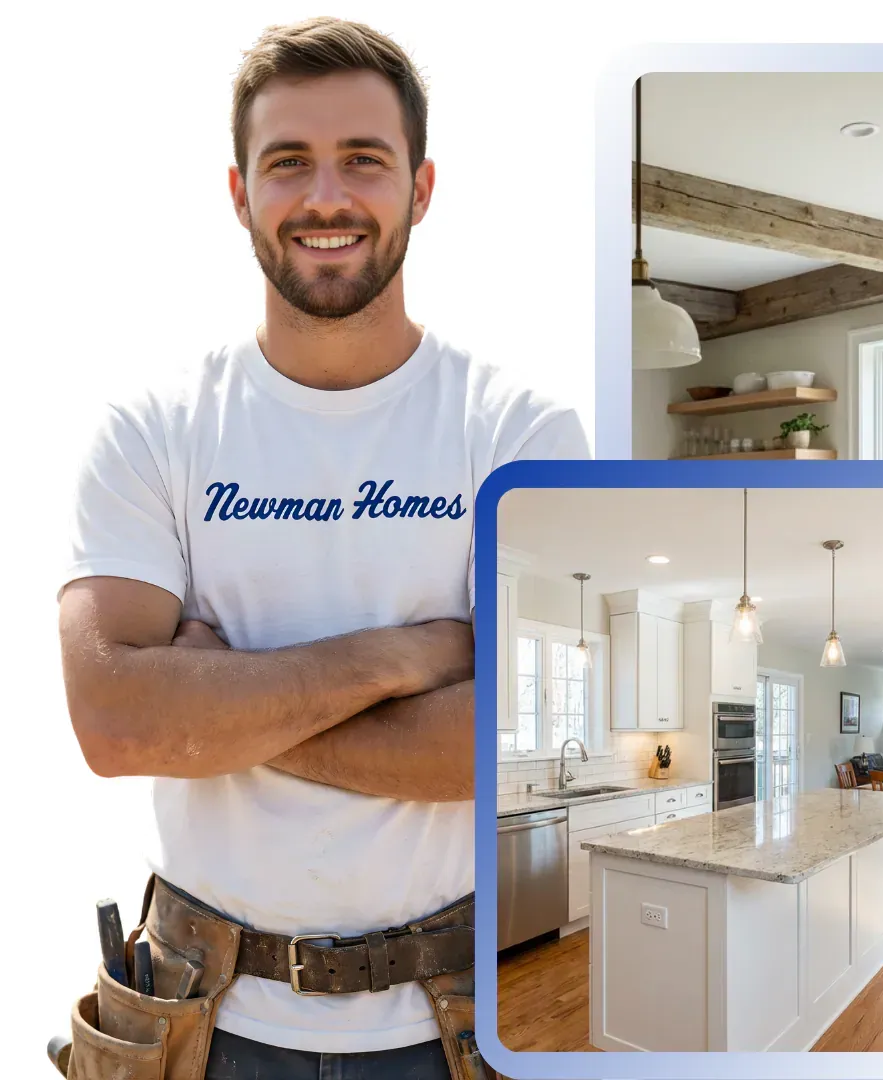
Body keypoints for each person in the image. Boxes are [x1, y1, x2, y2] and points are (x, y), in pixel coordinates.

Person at [57, 16, 588, 1079]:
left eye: (363, 160)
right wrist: (404, 658)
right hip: (196, 1025)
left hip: (452, 1029)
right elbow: (115, 721)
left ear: (421, 189)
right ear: (239, 192)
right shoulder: (152, 430)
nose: (325, 196)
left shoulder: (519, 434)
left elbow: (522, 755)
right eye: (287, 162)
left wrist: (213, 710)